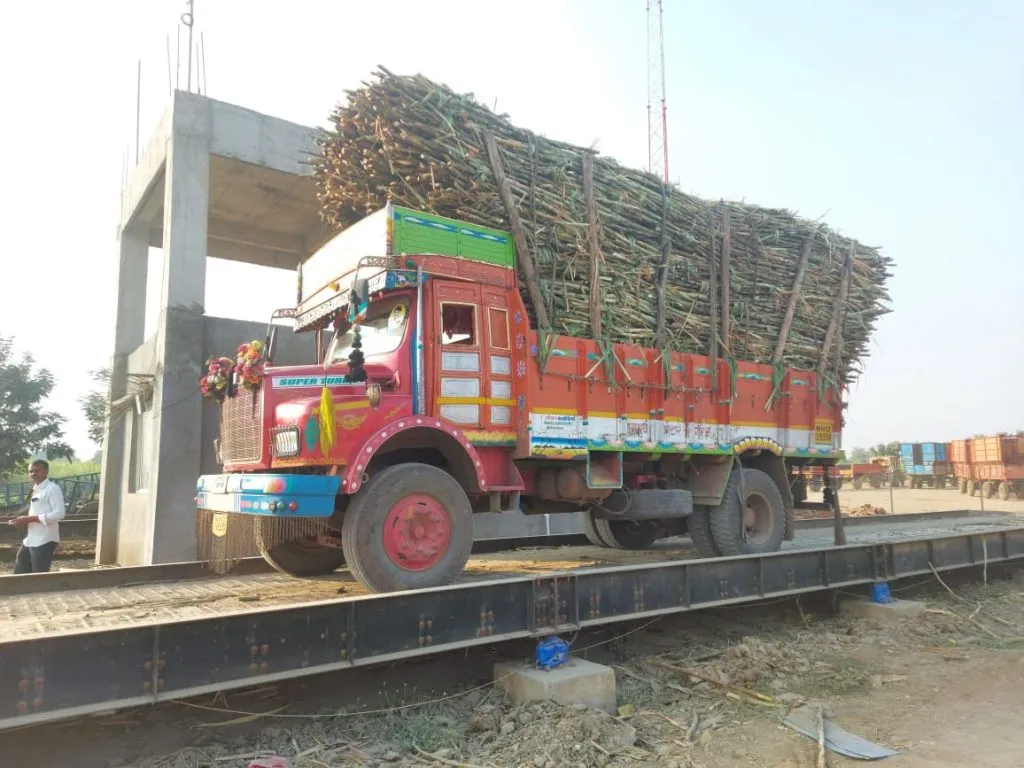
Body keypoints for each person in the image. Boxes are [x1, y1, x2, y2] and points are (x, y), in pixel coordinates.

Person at [8, 459, 65, 574]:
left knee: (39, 577)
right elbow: (35, 512)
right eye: (30, 471)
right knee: (19, 575)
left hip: (44, 540)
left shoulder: (52, 489)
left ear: (46, 471)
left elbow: (59, 514)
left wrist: (30, 519)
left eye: (37, 470)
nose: (33, 474)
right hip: (30, 540)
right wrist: (22, 520)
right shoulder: (35, 489)